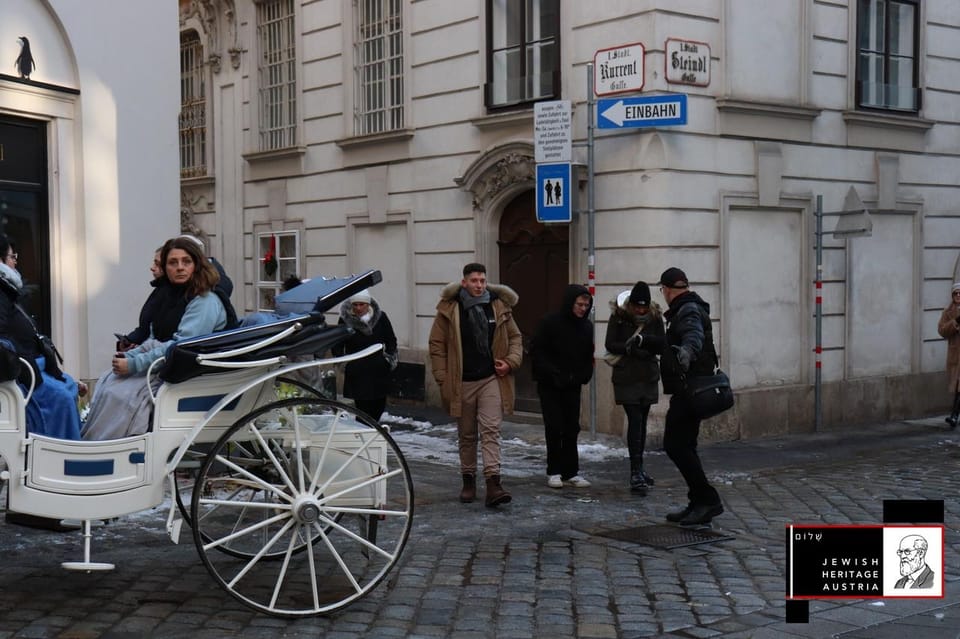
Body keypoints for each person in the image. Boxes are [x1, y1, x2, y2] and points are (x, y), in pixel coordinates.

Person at [81, 237, 238, 440]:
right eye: (173, 263)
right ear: (166, 267)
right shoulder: (170, 295)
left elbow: (181, 346)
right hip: (167, 364)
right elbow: (155, 338)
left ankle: (112, 447)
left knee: (121, 395)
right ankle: (94, 443)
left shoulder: (204, 301)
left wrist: (134, 364)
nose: (180, 268)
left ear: (197, 265)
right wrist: (129, 356)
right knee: (108, 381)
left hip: (188, 372)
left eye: (186, 262)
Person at [428, 263, 522, 507]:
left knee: (491, 430)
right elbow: (436, 345)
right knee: (467, 435)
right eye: (474, 281)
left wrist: (510, 362)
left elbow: (515, 338)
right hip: (462, 382)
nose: (479, 285)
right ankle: (468, 481)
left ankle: (494, 484)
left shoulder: (498, 306)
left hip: (491, 378)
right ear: (464, 283)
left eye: (482, 280)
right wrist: (443, 378)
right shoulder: (450, 310)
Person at [650, 267, 724, 526]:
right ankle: (699, 501)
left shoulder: (688, 309)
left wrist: (687, 352)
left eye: (663, 290)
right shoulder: (687, 306)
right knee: (685, 445)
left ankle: (707, 500)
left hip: (690, 389)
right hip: (689, 388)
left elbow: (694, 335)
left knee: (675, 444)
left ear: (668, 289)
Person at [0, 235, 82, 440]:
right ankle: (58, 457)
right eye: (12, 256)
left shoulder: (8, 290)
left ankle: (70, 446)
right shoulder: (3, 291)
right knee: (62, 398)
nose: (15, 261)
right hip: (20, 372)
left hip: (32, 365)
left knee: (69, 386)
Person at [530, 284, 594, 489]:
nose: (583, 309)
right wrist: (553, 373)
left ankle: (571, 471)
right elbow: (537, 351)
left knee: (571, 428)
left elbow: (587, 355)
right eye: (579, 304)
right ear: (570, 303)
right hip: (551, 384)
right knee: (554, 426)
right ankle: (554, 470)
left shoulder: (586, 326)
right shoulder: (549, 322)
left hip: (572, 384)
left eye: (586, 305)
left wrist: (584, 375)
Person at [604, 281, 665, 495]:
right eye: (637, 306)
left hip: (647, 375)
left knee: (642, 423)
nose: (641, 310)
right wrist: (630, 347)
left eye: (644, 306)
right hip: (627, 376)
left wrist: (645, 342)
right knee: (635, 421)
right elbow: (610, 344)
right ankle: (635, 471)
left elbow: (661, 343)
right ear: (631, 305)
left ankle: (640, 469)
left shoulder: (655, 318)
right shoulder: (619, 317)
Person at [332, 289, 398, 420]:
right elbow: (337, 343)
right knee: (363, 409)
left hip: (378, 368)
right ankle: (365, 434)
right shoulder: (345, 320)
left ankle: (373, 432)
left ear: (368, 305)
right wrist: (343, 363)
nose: (358, 308)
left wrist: (389, 359)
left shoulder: (380, 317)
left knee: (379, 405)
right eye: (355, 305)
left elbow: (391, 340)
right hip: (357, 369)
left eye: (362, 304)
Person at [118, 247, 164, 351]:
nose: (152, 268)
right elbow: (145, 327)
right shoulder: (159, 290)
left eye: (157, 264)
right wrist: (129, 340)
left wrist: (137, 351)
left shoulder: (166, 294)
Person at [936, 282, 960, 428]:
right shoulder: (947, 312)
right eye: (956, 293)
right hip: (956, 355)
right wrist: (955, 322)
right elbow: (942, 331)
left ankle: (954, 416)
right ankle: (954, 416)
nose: (958, 295)